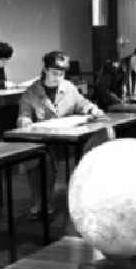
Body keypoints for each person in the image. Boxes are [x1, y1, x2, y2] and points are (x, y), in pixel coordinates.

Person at [18, 50, 105, 217]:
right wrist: (26, 123)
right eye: (54, 73)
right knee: (37, 158)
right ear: (44, 69)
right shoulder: (31, 92)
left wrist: (92, 109)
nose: (58, 77)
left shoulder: (68, 87)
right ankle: (41, 202)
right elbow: (24, 115)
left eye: (61, 74)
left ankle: (85, 197)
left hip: (70, 140)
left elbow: (82, 103)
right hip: (45, 141)